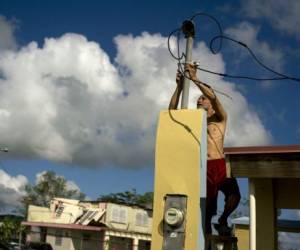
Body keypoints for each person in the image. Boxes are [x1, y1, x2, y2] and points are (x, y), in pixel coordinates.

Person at [169, 63, 241, 236]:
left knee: (234, 196)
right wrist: (179, 87)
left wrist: (195, 79)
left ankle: (223, 219)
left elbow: (215, 98)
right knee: (207, 209)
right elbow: (172, 111)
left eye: (203, 98)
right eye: (198, 99)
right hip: (204, 166)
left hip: (220, 164)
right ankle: (206, 239)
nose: (199, 100)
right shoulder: (194, 122)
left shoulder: (220, 119)